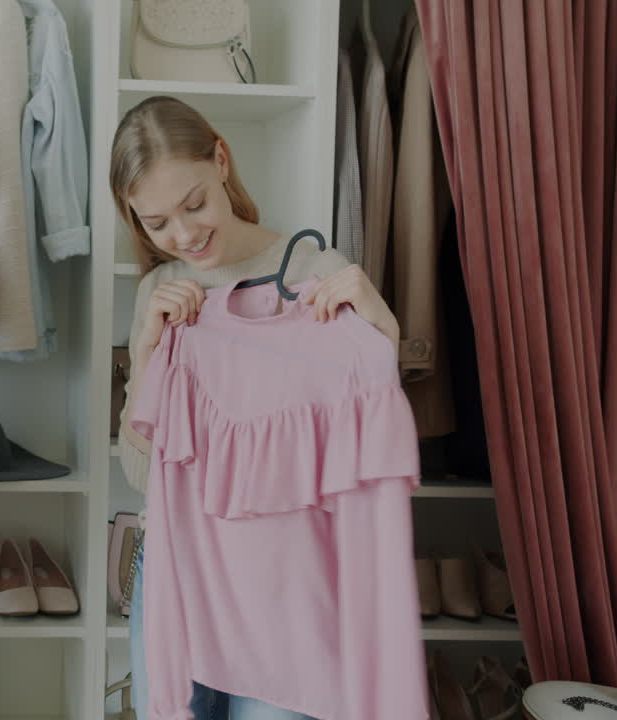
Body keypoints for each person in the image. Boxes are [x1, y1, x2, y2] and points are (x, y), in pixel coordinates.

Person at [111, 96, 399, 720]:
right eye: (157, 223)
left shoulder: (317, 273)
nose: (184, 235)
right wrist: (144, 353)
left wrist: (383, 336)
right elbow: (141, 478)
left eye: (194, 204)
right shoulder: (159, 293)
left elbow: (366, 451)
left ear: (221, 160)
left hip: (284, 589)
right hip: (176, 576)